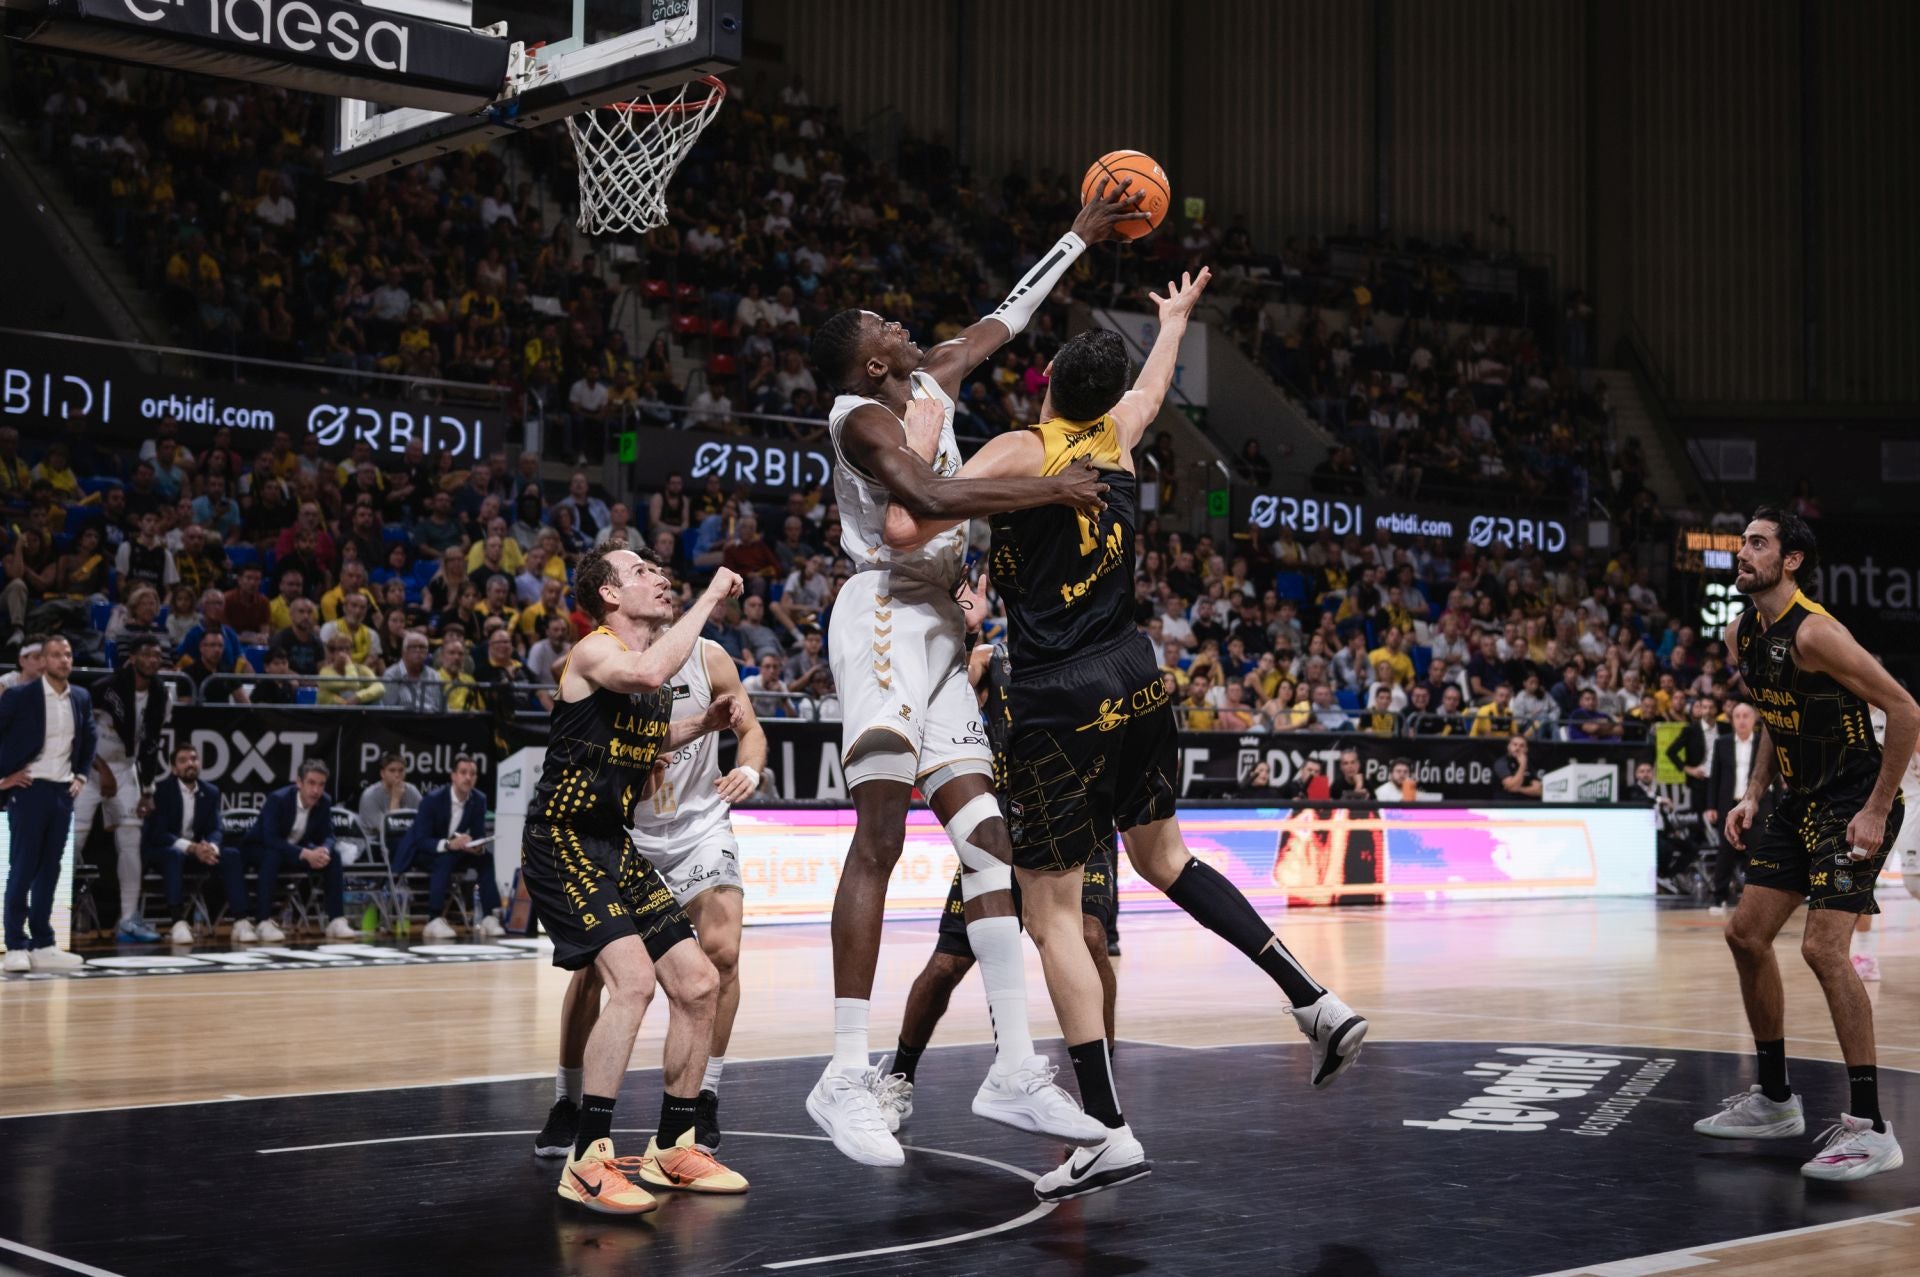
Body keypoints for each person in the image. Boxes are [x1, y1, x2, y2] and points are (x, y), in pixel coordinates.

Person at [883, 270, 1367, 1200]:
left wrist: (919, 441)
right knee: (1169, 860)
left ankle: (1105, 1128)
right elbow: (1149, 392)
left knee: (1053, 911)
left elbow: (911, 518)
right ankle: (1316, 1000)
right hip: (1139, 677)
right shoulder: (1124, 442)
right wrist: (1175, 322)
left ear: (1048, 379)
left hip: (1059, 697)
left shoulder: (1024, 445)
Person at [798, 185, 1133, 1170]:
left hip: (942, 621)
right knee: (883, 831)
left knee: (990, 841)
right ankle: (846, 1070)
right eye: (883, 324)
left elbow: (1010, 312)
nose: (903, 323)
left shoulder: (932, 380)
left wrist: (1078, 232)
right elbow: (933, 495)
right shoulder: (860, 416)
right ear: (870, 359)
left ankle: (1016, 1066)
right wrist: (1051, 485)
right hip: (886, 613)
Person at [521, 547, 750, 1215]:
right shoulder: (596, 652)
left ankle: (675, 1142)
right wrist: (710, 597)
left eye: (658, 568)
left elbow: (643, 740)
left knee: (699, 980)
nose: (658, 575)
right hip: (562, 838)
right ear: (610, 596)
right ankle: (588, 1157)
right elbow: (651, 666)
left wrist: (700, 726)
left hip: (612, 844)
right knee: (633, 980)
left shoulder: (644, 680)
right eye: (641, 571)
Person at [1694, 508, 1918, 1182]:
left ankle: (1873, 1126)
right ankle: (1773, 1098)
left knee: (1823, 947)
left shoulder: (1817, 631)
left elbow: (1907, 710)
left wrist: (1878, 807)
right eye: (1742, 545)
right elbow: (1772, 712)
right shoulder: (1743, 632)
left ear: (1791, 560)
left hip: (1854, 795)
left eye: (1758, 544)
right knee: (1745, 934)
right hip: (1796, 798)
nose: (1744, 554)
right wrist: (1754, 792)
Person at [537, 628, 767, 1158]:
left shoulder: (710, 658)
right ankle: (566, 1102)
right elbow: (563, 683)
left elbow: (749, 728)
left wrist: (749, 767)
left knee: (722, 955)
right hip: (627, 830)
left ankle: (704, 1095)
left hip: (700, 828)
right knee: (595, 971)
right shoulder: (610, 656)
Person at [876, 637, 1119, 1135]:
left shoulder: (1093, 655)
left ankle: (1100, 1090)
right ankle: (899, 1076)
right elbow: (947, 689)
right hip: (1007, 826)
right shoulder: (992, 657)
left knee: (1091, 937)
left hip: (1077, 814)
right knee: (946, 965)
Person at [0, 636, 95, 971]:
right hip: (29, 789)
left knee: (50, 870)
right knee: (23, 866)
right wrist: (4, 779)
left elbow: (90, 738)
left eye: (68, 654)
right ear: (42, 660)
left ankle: (43, 942)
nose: (64, 660)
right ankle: (14, 943)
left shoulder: (81, 697)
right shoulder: (20, 696)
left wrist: (81, 776)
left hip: (62, 792)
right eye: (56, 655)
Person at [75, 636, 170, 944]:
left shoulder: (159, 693)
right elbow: (80, 735)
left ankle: (128, 918)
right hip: (89, 766)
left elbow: (151, 745)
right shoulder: (105, 688)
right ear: (133, 658)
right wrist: (100, 770)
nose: (154, 660)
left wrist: (148, 789)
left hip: (125, 767)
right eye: (147, 654)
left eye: (158, 655)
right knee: (72, 840)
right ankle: (49, 916)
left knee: (131, 839)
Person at [238, 760, 359, 943]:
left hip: (293, 849)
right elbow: (271, 839)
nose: (316, 790)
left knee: (333, 856)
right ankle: (263, 922)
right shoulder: (278, 799)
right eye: (311, 783)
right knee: (273, 855)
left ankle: (335, 920)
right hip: (258, 848)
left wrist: (323, 849)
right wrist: (305, 853)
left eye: (321, 784)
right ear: (299, 782)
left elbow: (329, 835)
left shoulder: (324, 801)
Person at [396, 755, 503, 940]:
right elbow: (421, 839)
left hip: (454, 850)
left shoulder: (478, 799)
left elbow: (477, 834)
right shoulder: (433, 799)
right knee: (445, 857)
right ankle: (434, 918)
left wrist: (475, 846)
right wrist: (448, 844)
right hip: (423, 851)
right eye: (463, 772)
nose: (468, 777)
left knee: (485, 857)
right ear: (453, 776)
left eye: (472, 773)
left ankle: (488, 917)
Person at [140, 743, 236, 945]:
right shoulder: (161, 791)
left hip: (196, 853)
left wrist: (211, 847)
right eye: (183, 761)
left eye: (193, 759)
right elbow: (159, 834)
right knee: (175, 855)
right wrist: (192, 847)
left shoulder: (211, 792)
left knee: (232, 855)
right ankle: (178, 922)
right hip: (161, 852)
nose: (190, 764)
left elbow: (216, 828)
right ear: (174, 769)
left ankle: (242, 920)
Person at [1704, 701, 1762, 916]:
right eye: (1737, 716)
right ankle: (1719, 897)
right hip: (1729, 805)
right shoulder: (1723, 743)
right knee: (1725, 853)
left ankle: (1756, 901)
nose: (1741, 720)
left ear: (1754, 719)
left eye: (1746, 715)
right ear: (1732, 720)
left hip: (1756, 806)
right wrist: (1711, 805)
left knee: (1756, 855)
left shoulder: (1763, 743)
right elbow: (1714, 777)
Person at [357, 752, 422, 853]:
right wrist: (396, 798)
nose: (397, 775)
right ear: (382, 773)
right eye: (392, 770)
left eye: (401, 770)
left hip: (407, 840)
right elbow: (390, 831)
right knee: (397, 842)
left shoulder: (412, 791)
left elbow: (424, 821)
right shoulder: (369, 796)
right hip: (375, 844)